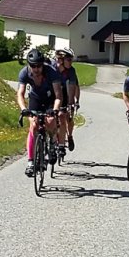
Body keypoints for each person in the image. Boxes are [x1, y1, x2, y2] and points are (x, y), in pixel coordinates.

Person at [16, 48, 63, 176]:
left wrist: (55, 110)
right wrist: (23, 109)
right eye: (33, 66)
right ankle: (31, 162)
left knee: (51, 120)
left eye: (39, 66)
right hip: (35, 99)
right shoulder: (24, 73)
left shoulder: (51, 72)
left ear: (43, 65)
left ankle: (53, 143)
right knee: (34, 126)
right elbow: (20, 94)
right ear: (29, 65)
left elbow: (58, 95)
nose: (36, 69)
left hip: (50, 98)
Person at [53, 47, 81, 151]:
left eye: (72, 60)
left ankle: (69, 136)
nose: (71, 62)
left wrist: (71, 104)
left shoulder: (71, 71)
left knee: (66, 116)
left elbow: (73, 87)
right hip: (54, 91)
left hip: (65, 91)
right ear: (61, 59)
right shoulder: (53, 68)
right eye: (69, 60)